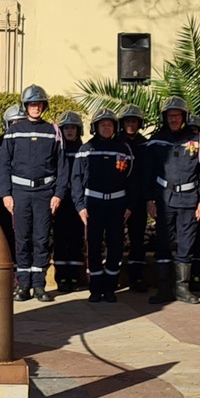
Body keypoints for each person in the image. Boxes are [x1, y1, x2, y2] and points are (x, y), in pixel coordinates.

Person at [0, 86, 66, 302]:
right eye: (32, 104)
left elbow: (62, 166)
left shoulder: (52, 131)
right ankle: (23, 284)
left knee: (41, 239)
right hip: (20, 193)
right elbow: (3, 165)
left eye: (39, 104)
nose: (35, 108)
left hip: (45, 193)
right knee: (22, 238)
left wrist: (58, 194)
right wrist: (6, 194)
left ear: (44, 106)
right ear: (26, 106)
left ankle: (39, 285)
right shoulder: (14, 131)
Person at [145, 97, 200, 306]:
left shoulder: (197, 140)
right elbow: (148, 173)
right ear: (165, 118)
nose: (174, 119)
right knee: (163, 244)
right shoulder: (156, 140)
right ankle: (164, 288)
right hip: (164, 199)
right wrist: (150, 199)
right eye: (170, 116)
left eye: (177, 116)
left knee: (186, 244)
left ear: (184, 117)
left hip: (189, 200)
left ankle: (182, 288)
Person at [71, 108, 136, 303]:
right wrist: (80, 206)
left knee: (115, 246)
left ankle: (110, 286)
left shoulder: (124, 149)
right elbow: (76, 180)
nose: (106, 128)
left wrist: (129, 206)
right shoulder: (86, 150)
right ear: (95, 127)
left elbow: (133, 180)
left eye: (110, 124)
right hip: (93, 204)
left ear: (115, 127)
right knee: (93, 245)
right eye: (102, 124)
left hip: (117, 204)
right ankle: (95, 287)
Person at [51, 112, 88, 293]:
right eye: (66, 128)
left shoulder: (84, 149)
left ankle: (74, 276)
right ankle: (61, 277)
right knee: (60, 239)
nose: (70, 131)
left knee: (76, 239)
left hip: (78, 202)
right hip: (61, 200)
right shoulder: (58, 149)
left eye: (73, 128)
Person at [119, 108, 154, 290]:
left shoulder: (145, 145)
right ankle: (113, 276)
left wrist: (149, 199)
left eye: (134, 122)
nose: (131, 125)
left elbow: (148, 175)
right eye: (127, 122)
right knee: (114, 239)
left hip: (139, 200)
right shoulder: (116, 142)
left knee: (137, 239)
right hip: (117, 199)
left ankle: (136, 277)